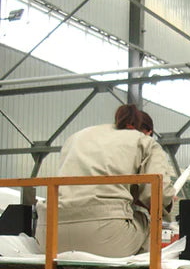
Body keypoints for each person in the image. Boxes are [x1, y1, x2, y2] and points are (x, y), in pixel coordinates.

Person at [35, 104, 176, 257]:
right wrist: (168, 203)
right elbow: (156, 194)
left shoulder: (78, 136)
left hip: (49, 234)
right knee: (146, 221)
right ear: (149, 132)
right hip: (105, 234)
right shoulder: (145, 141)